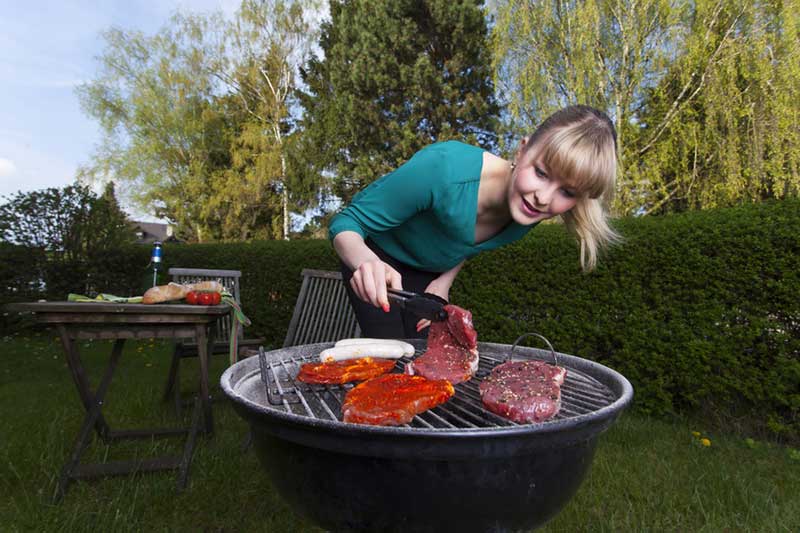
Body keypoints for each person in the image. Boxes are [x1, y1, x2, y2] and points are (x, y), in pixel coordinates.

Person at [329, 105, 620, 339]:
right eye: (542, 173)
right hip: (374, 256)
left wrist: (443, 283)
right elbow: (346, 223)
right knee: (388, 359)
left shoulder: (529, 210)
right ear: (521, 151)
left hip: (429, 274)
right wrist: (368, 263)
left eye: (567, 192)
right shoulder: (442, 169)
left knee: (425, 357)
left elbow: (465, 242)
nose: (544, 197)